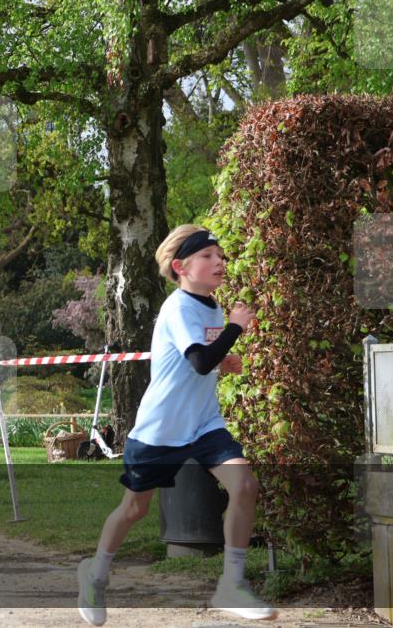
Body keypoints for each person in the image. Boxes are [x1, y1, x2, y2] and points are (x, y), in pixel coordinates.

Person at [76, 225, 273, 625]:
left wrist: (223, 361)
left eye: (220, 256)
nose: (219, 262)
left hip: (204, 425)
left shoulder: (211, 305)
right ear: (181, 267)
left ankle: (232, 584)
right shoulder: (179, 307)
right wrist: (235, 328)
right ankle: (94, 575)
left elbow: (199, 361)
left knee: (245, 486)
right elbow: (198, 360)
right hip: (161, 430)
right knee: (134, 509)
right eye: (208, 256)